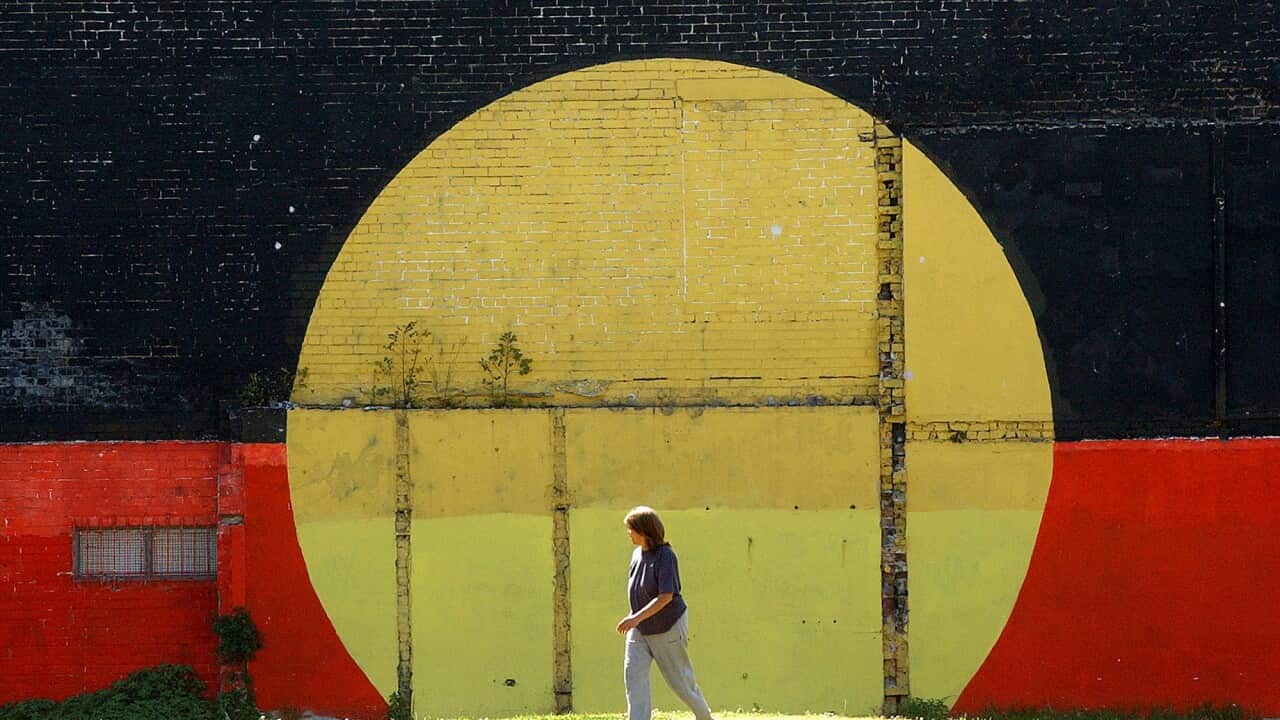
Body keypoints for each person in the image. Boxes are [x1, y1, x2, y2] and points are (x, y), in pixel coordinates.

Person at [615, 506, 714, 720]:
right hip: (639, 629)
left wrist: (635, 618)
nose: (628, 533)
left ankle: (705, 717)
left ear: (644, 531)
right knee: (634, 677)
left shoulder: (666, 556)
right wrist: (636, 619)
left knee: (680, 681)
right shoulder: (636, 554)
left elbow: (666, 596)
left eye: (631, 529)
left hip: (667, 626)